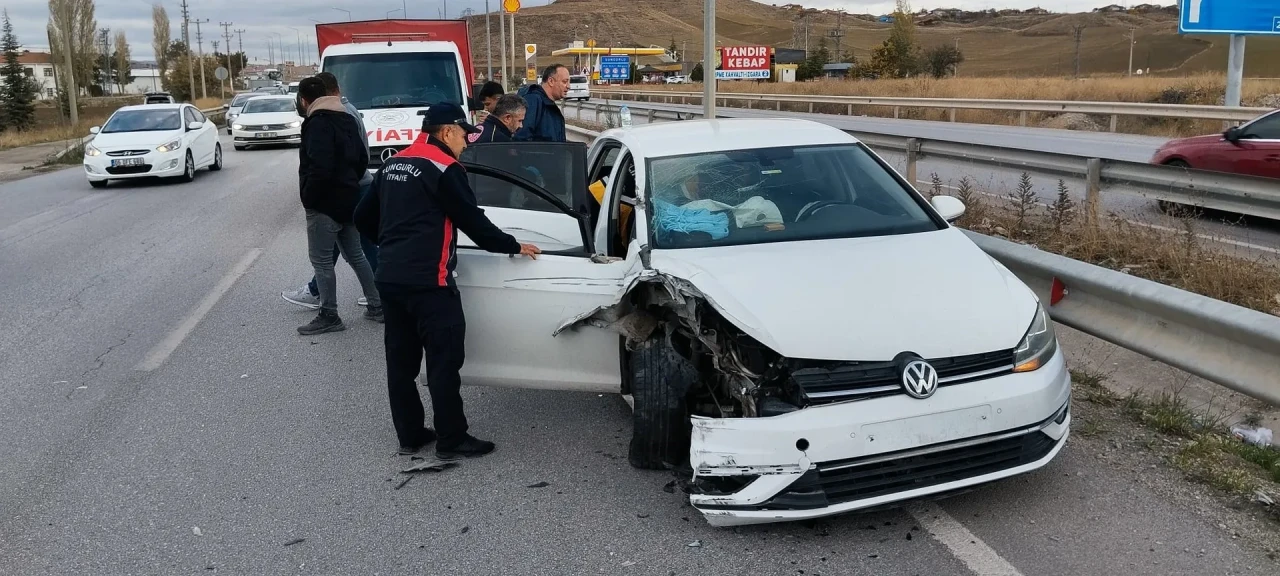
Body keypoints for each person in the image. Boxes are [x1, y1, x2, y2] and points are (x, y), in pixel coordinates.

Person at [354, 102, 541, 458]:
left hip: (390, 278)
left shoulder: (394, 162)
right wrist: (513, 245)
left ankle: (409, 435)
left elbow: (362, 216)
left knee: (401, 363)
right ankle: (451, 439)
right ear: (446, 132)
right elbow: (474, 223)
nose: (467, 143)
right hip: (430, 282)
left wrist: (393, 246)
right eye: (464, 135)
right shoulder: (445, 168)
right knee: (443, 361)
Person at [282, 72, 378, 309]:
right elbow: (360, 159)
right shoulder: (345, 117)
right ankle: (378, 303)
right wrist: (348, 185)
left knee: (323, 260)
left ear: (304, 100)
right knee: (356, 253)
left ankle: (328, 313)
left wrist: (309, 198)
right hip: (349, 196)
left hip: (328, 202)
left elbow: (318, 167)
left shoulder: (318, 123)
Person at [513, 64, 568, 142]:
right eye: (564, 82)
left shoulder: (548, 104)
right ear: (551, 81)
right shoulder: (533, 100)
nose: (568, 86)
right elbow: (522, 138)